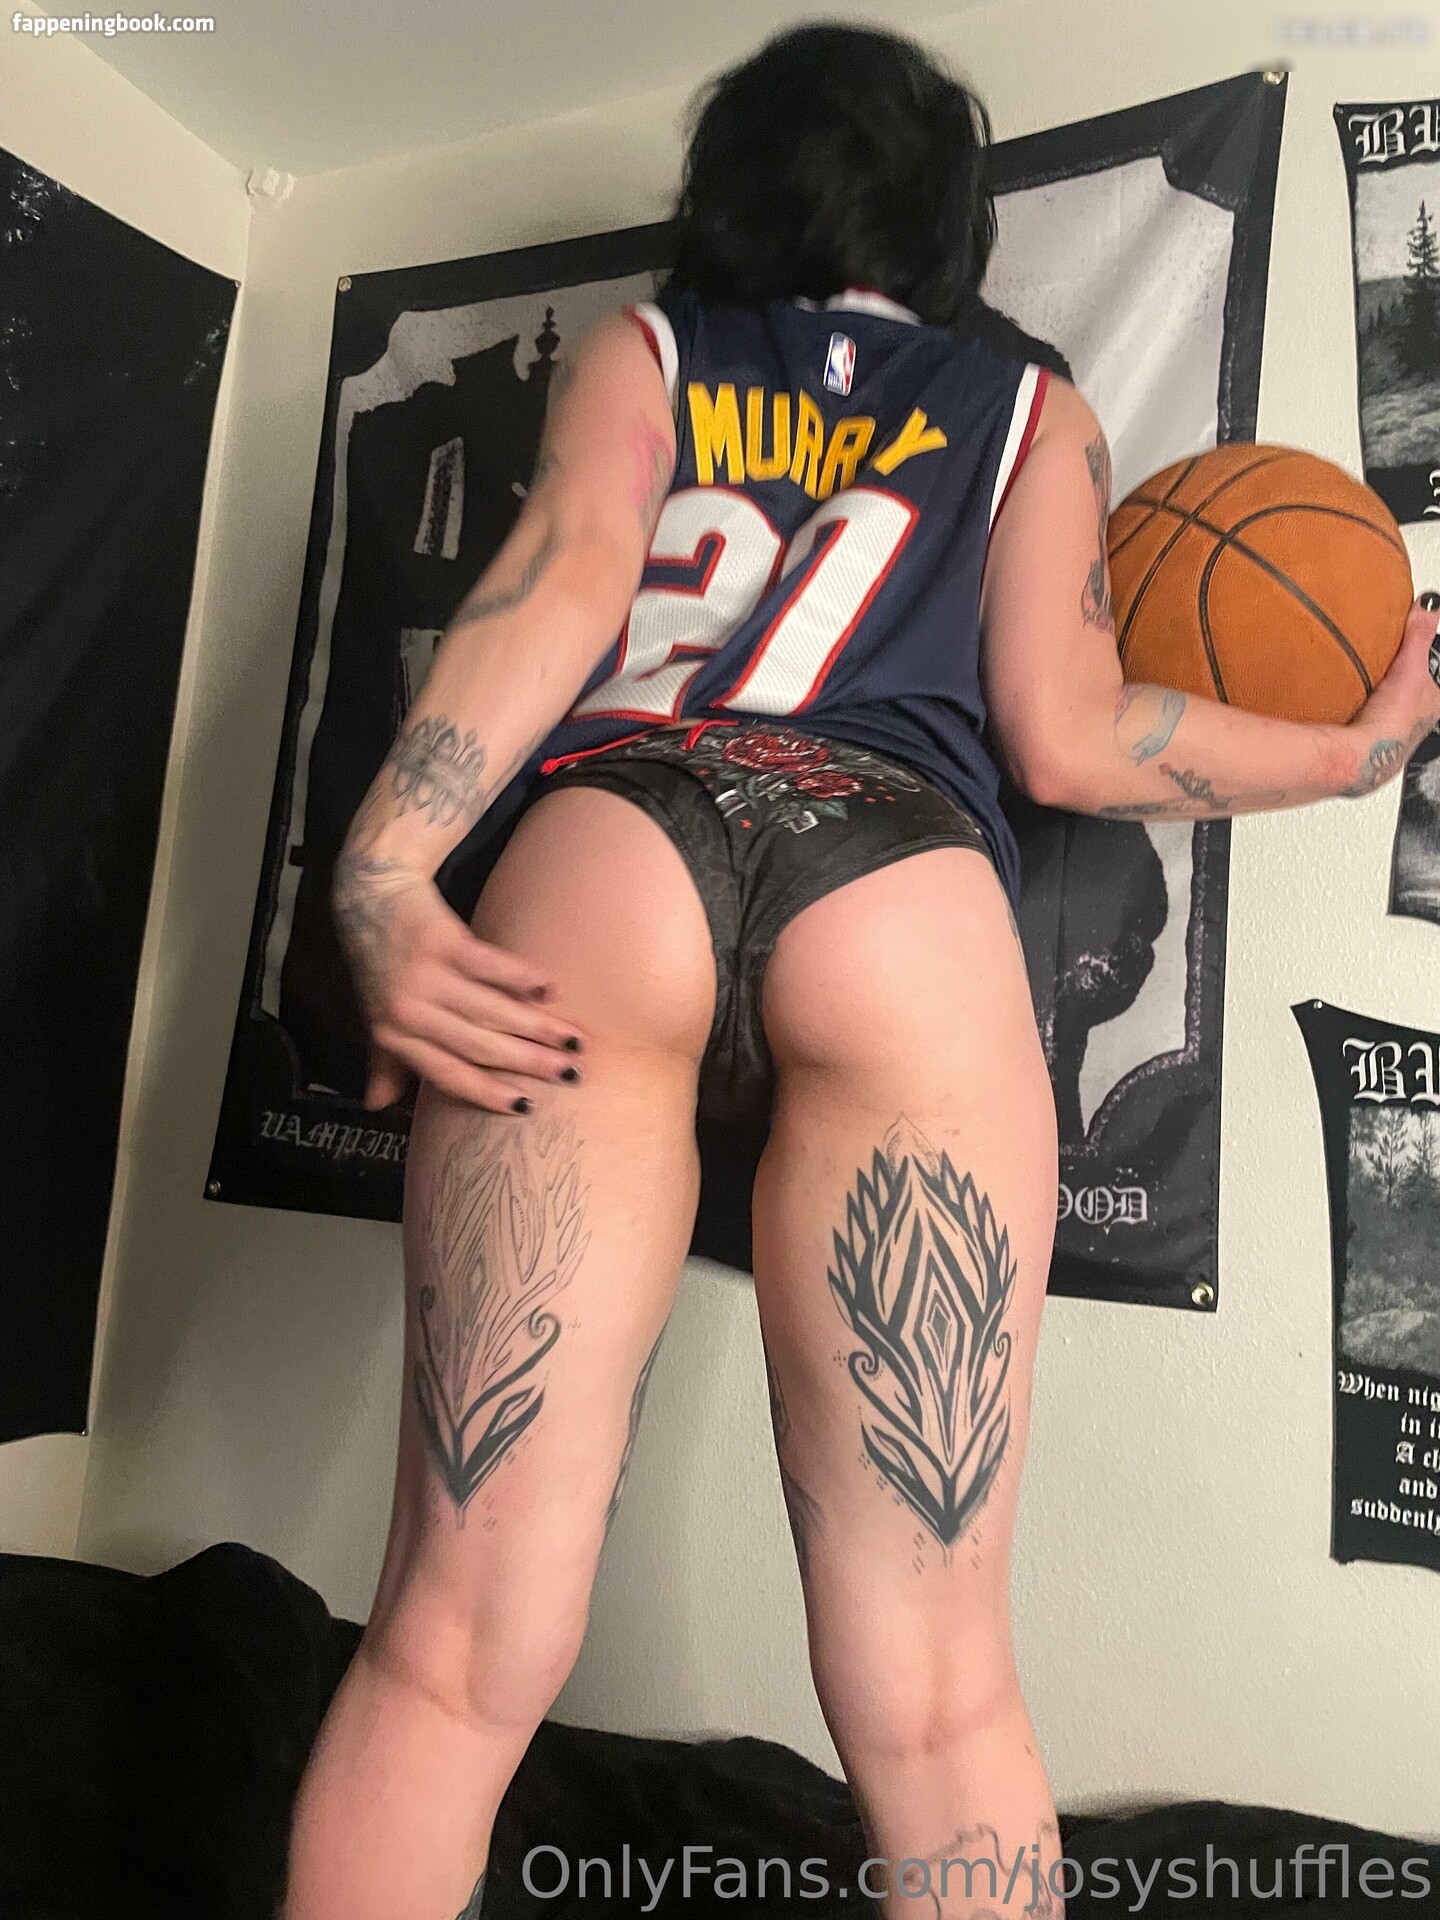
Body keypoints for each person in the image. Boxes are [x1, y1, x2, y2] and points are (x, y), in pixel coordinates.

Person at [280, 24, 1440, 1920]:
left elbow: (569, 572)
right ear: (948, 225)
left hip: (617, 854)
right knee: (939, 1699)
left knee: (451, 1646)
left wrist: (388, 862)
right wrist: (1354, 752)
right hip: (896, 886)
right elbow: (1068, 738)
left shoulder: (651, 350)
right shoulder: (1028, 404)